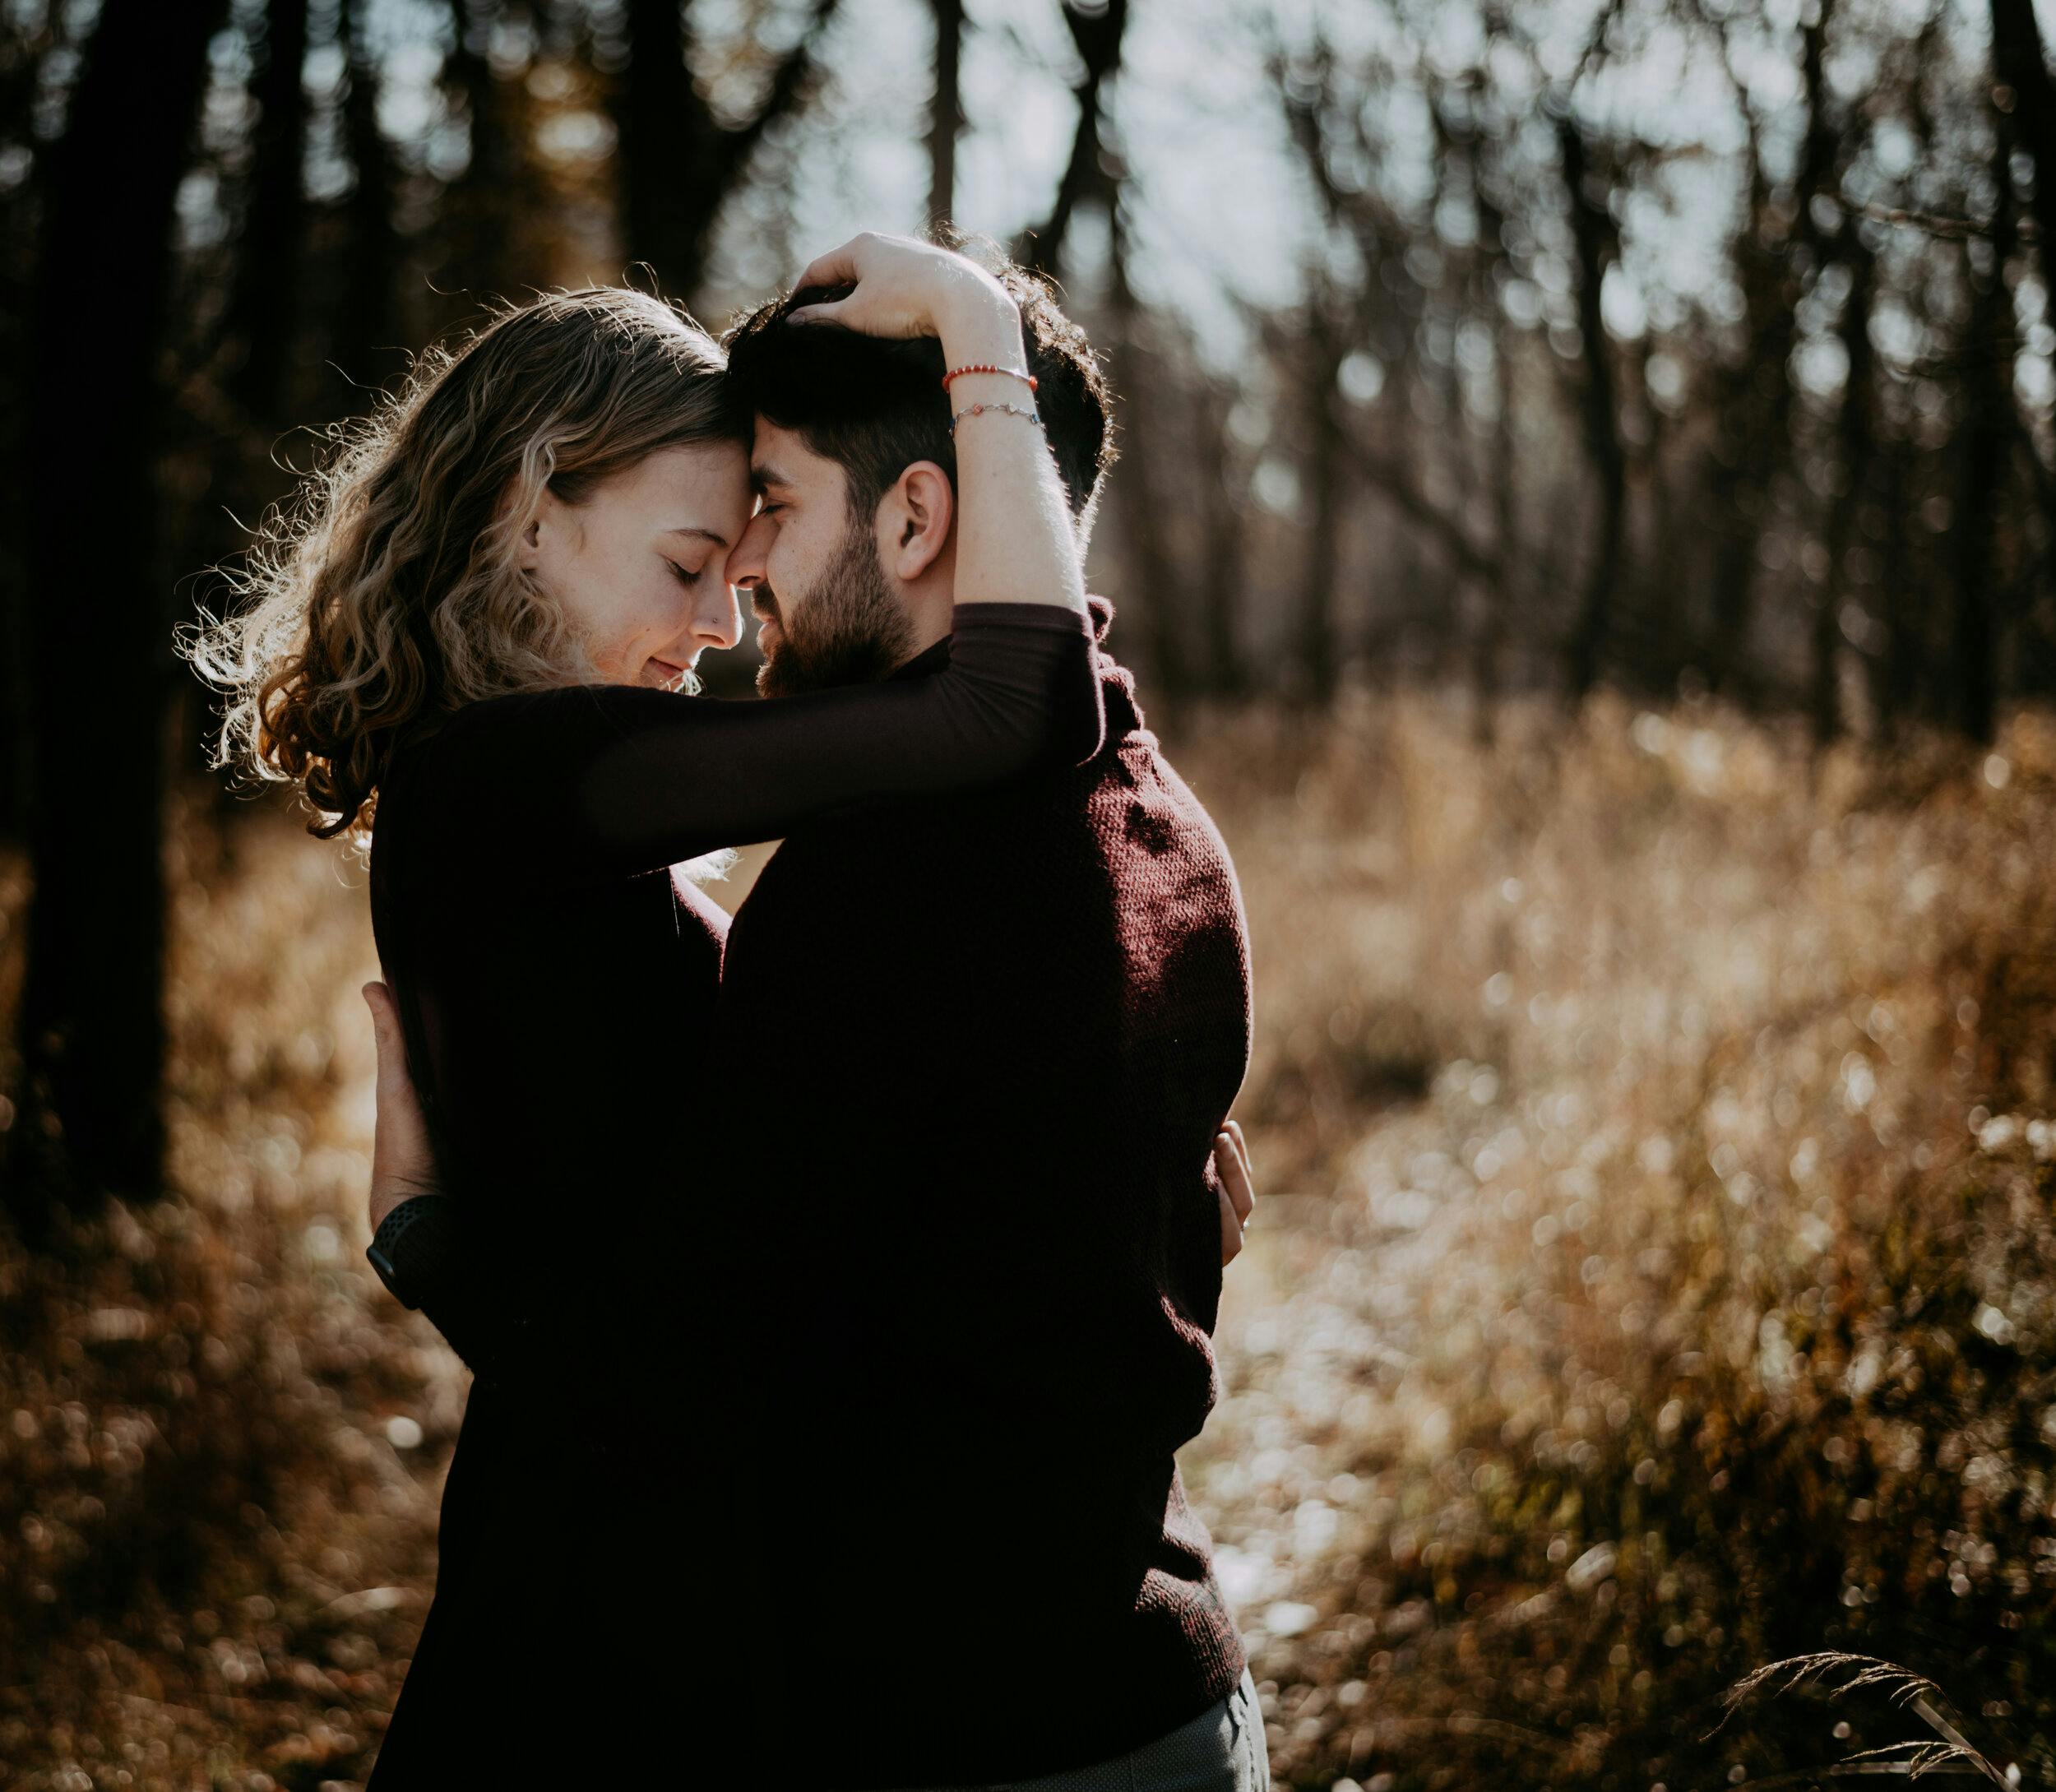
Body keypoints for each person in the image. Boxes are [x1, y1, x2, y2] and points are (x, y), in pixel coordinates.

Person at [185, 240, 1224, 1785]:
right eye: (689, 563)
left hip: (665, 1560)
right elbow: (1012, 707)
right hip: (603, 1595)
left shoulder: (549, 799)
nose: (727, 624)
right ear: (533, 511)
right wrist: (978, 328)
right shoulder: (509, 780)